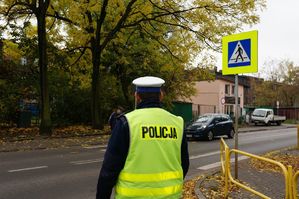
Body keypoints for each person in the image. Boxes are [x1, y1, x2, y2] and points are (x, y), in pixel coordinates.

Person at [96, 76, 189, 199]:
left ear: (137, 97)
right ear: (161, 96)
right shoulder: (177, 123)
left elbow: (109, 171)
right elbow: (184, 164)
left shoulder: (126, 123)